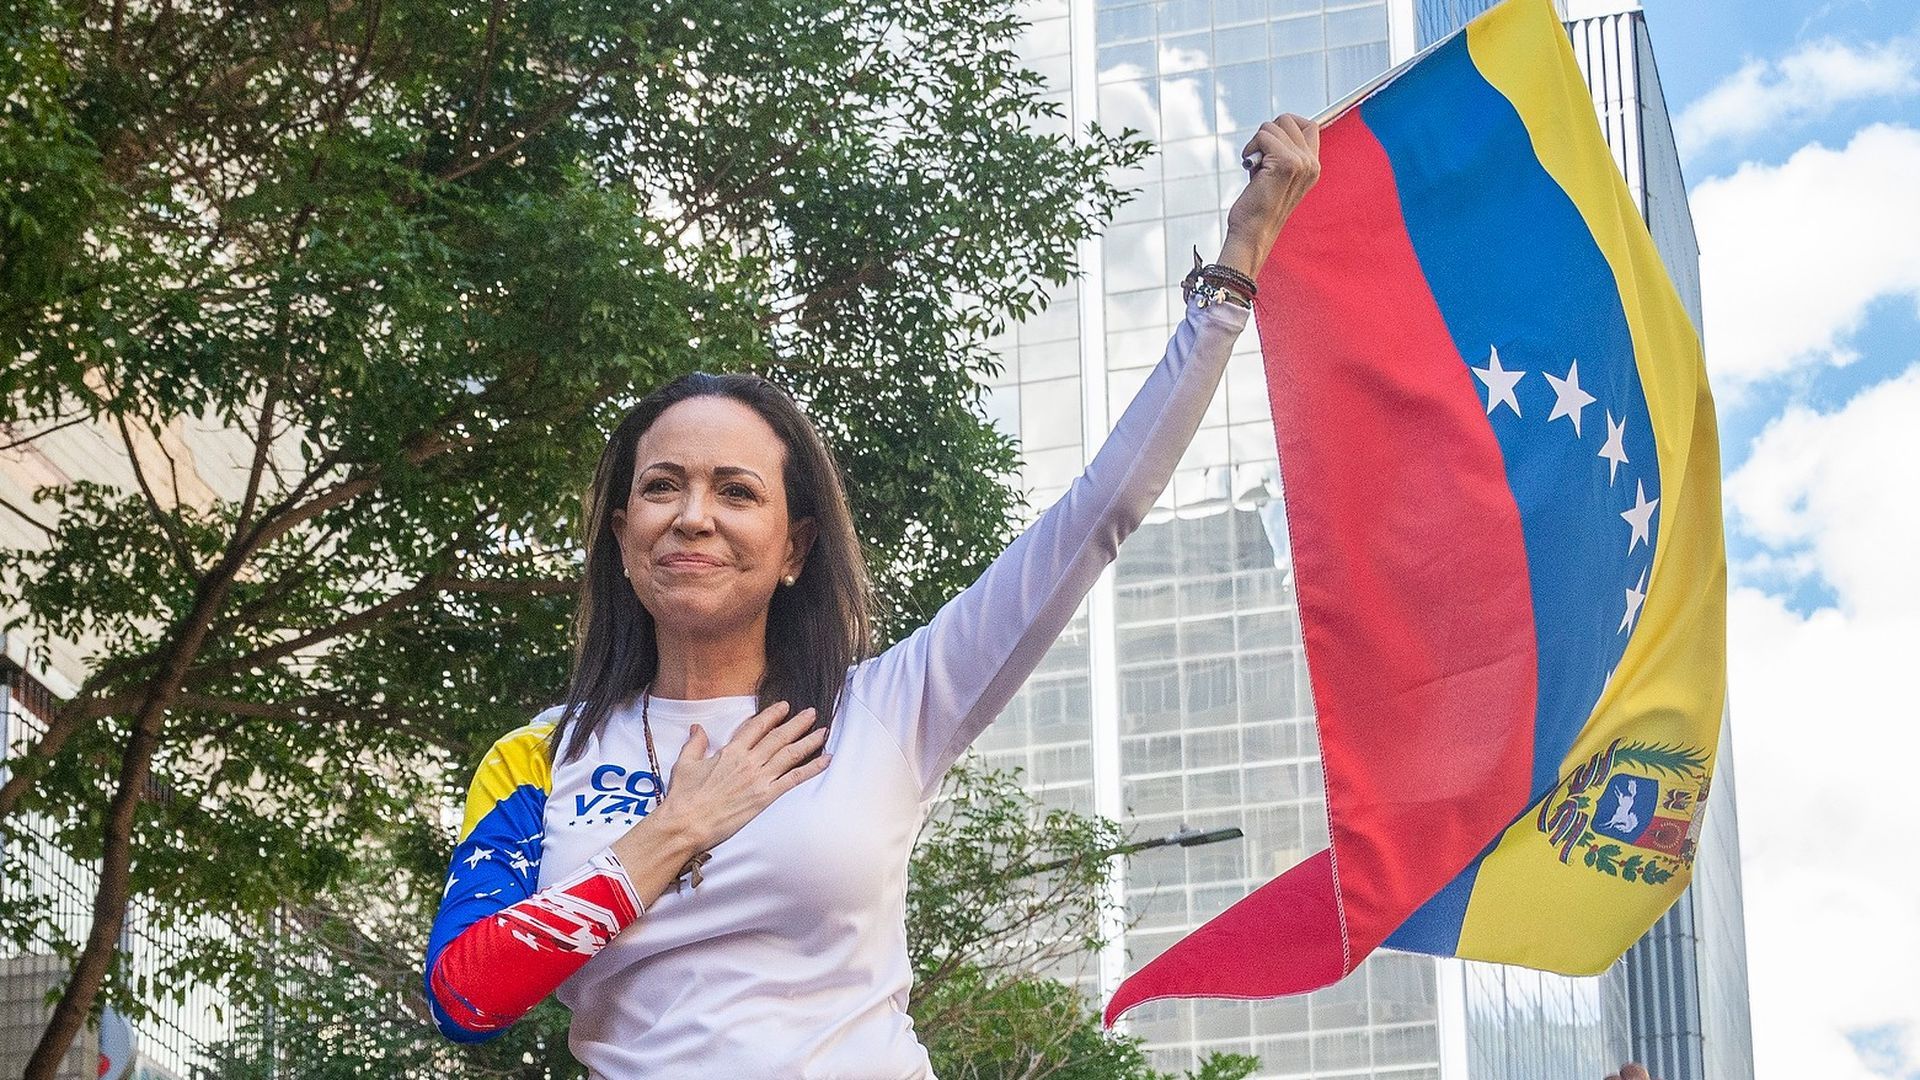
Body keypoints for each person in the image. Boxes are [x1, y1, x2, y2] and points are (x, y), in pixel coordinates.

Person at [420, 113, 1323, 1077]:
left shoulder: (887, 710)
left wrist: (1234, 271)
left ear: (795, 547)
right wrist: (677, 829)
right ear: (620, 534)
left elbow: (1098, 515)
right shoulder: (540, 755)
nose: (692, 517)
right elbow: (466, 997)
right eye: (661, 486)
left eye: (737, 492)